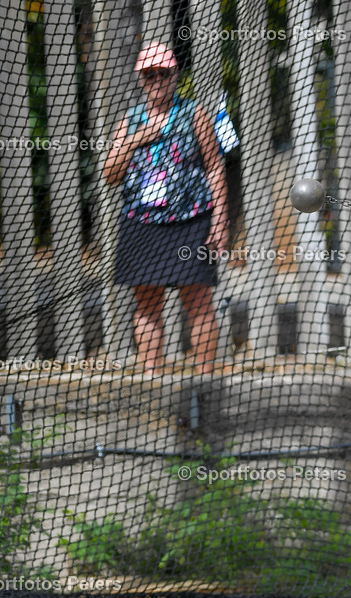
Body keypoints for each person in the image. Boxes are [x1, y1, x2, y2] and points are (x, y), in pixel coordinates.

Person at [103, 42, 227, 376]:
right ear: (141, 79)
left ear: (175, 75)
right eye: (149, 75)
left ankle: (205, 377)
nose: (157, 80)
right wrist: (134, 139)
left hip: (191, 220)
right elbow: (109, 175)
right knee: (146, 301)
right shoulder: (129, 120)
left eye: (164, 73)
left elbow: (215, 167)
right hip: (141, 222)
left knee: (197, 300)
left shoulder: (194, 113)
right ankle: (151, 377)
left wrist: (220, 221)